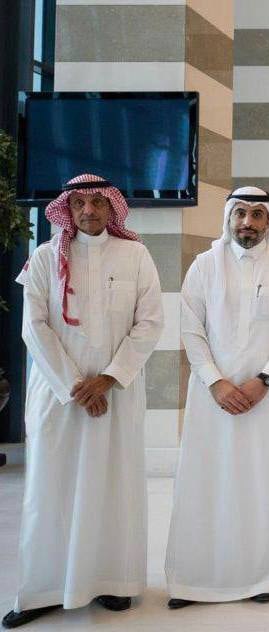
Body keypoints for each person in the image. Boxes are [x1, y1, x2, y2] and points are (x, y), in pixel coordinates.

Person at [4, 174, 163, 629]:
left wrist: (108, 379)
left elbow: (150, 322)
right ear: (68, 210)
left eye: (97, 202)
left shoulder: (136, 256)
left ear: (112, 208)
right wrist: (76, 385)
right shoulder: (43, 257)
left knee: (114, 486)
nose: (88, 210)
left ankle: (113, 581)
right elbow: (33, 326)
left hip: (117, 395)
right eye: (79, 204)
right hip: (60, 397)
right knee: (50, 488)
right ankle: (42, 589)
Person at [164, 186, 269, 608]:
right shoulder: (204, 266)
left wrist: (264, 380)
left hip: (267, 398)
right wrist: (216, 382)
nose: (247, 222)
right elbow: (191, 329)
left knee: (263, 483)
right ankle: (195, 579)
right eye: (240, 213)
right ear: (228, 218)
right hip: (212, 398)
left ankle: (264, 574)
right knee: (205, 483)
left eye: (256, 215)